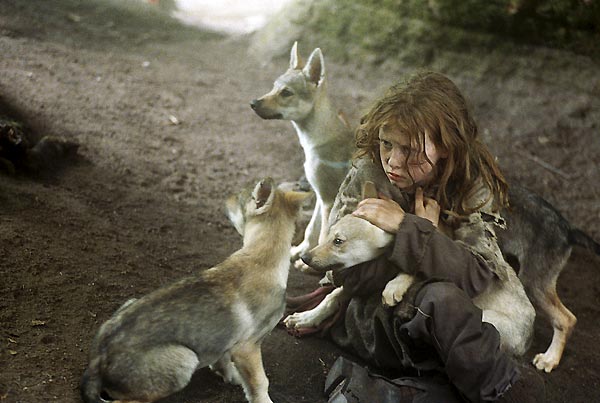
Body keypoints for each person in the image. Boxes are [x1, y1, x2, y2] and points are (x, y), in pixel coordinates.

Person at [287, 71, 544, 403]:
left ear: (445, 149)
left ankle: (399, 392)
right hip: (375, 313)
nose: (393, 161)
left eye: (410, 150)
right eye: (386, 143)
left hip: (462, 323)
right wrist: (419, 236)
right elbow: (343, 271)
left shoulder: (470, 185)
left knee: (447, 306)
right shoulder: (369, 174)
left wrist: (411, 231)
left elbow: (478, 277)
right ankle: (479, 390)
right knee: (440, 300)